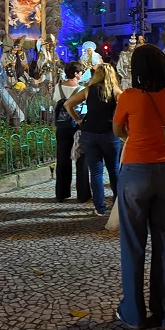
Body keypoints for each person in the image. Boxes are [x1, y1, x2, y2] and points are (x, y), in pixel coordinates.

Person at [111, 44, 165, 330]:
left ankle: (133, 313)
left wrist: (134, 132)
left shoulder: (129, 96)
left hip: (135, 172)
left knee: (133, 244)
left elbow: (117, 129)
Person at [65, 63, 122, 216]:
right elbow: (125, 108)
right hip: (109, 134)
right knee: (114, 169)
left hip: (89, 133)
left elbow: (68, 104)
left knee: (96, 172)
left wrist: (78, 120)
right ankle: (118, 203)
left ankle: (99, 207)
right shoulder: (115, 91)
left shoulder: (88, 90)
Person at [52, 62, 90, 204]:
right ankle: (83, 194)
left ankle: (61, 193)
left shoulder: (58, 87)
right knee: (81, 159)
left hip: (62, 127)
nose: (81, 75)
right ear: (75, 74)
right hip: (77, 126)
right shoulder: (81, 89)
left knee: (62, 159)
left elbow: (55, 102)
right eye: (80, 72)